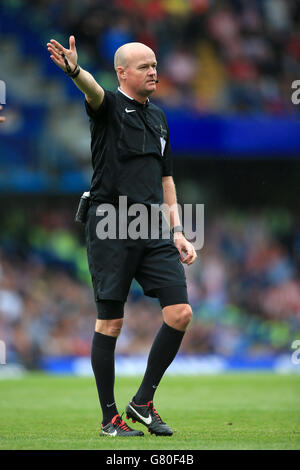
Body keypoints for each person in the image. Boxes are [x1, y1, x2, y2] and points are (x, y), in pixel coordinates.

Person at [47, 36, 197, 437]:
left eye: (155, 64)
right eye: (145, 66)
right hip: (110, 224)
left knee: (180, 313)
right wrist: (75, 71)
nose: (153, 71)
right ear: (122, 73)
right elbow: (92, 90)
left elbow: (166, 179)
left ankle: (142, 401)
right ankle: (109, 418)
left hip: (152, 227)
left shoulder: (160, 118)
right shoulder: (108, 106)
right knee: (110, 324)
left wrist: (178, 231)